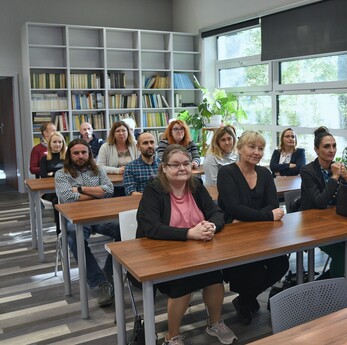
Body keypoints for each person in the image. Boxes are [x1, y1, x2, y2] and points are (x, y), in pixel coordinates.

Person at [136, 144, 237, 345]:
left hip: (196, 251)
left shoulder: (196, 185)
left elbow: (217, 213)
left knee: (214, 278)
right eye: (175, 165)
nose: (182, 168)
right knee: (182, 283)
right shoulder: (154, 188)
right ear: (164, 167)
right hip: (159, 254)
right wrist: (190, 233)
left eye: (186, 164)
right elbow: (152, 228)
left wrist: (211, 226)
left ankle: (214, 323)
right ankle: (171, 336)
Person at [217, 131, 288, 325]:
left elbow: (272, 203)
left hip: (264, 235)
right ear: (239, 148)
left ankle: (245, 299)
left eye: (260, 148)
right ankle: (246, 300)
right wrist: (266, 215)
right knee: (253, 271)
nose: (256, 152)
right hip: (235, 237)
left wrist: (249, 216)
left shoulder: (264, 173)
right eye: (251, 147)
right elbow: (233, 208)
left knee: (281, 264)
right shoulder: (227, 172)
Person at [55, 138, 121, 307]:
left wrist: (79, 189)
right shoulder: (62, 174)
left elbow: (109, 191)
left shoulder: (98, 170)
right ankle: (101, 283)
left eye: (84, 152)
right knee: (72, 238)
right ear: (70, 155)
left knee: (125, 230)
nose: (80, 156)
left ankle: (109, 272)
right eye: (76, 153)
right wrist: (96, 192)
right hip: (76, 219)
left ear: (89, 154)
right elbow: (66, 198)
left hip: (99, 217)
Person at [299, 127, 347, 280]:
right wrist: (335, 177)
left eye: (334, 146)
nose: (332, 150)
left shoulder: (337, 167)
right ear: (316, 150)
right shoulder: (308, 171)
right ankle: (330, 287)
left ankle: (328, 282)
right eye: (326, 146)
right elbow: (320, 202)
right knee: (342, 255)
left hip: (336, 219)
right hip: (313, 224)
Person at [40, 131, 67, 234]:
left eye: (60, 142)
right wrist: (60, 173)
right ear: (50, 144)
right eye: (54, 142)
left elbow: (71, 174)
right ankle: (59, 232)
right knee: (57, 200)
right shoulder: (44, 159)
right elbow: (44, 176)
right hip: (50, 191)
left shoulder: (67, 158)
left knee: (62, 198)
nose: (57, 144)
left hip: (65, 188)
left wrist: (53, 173)